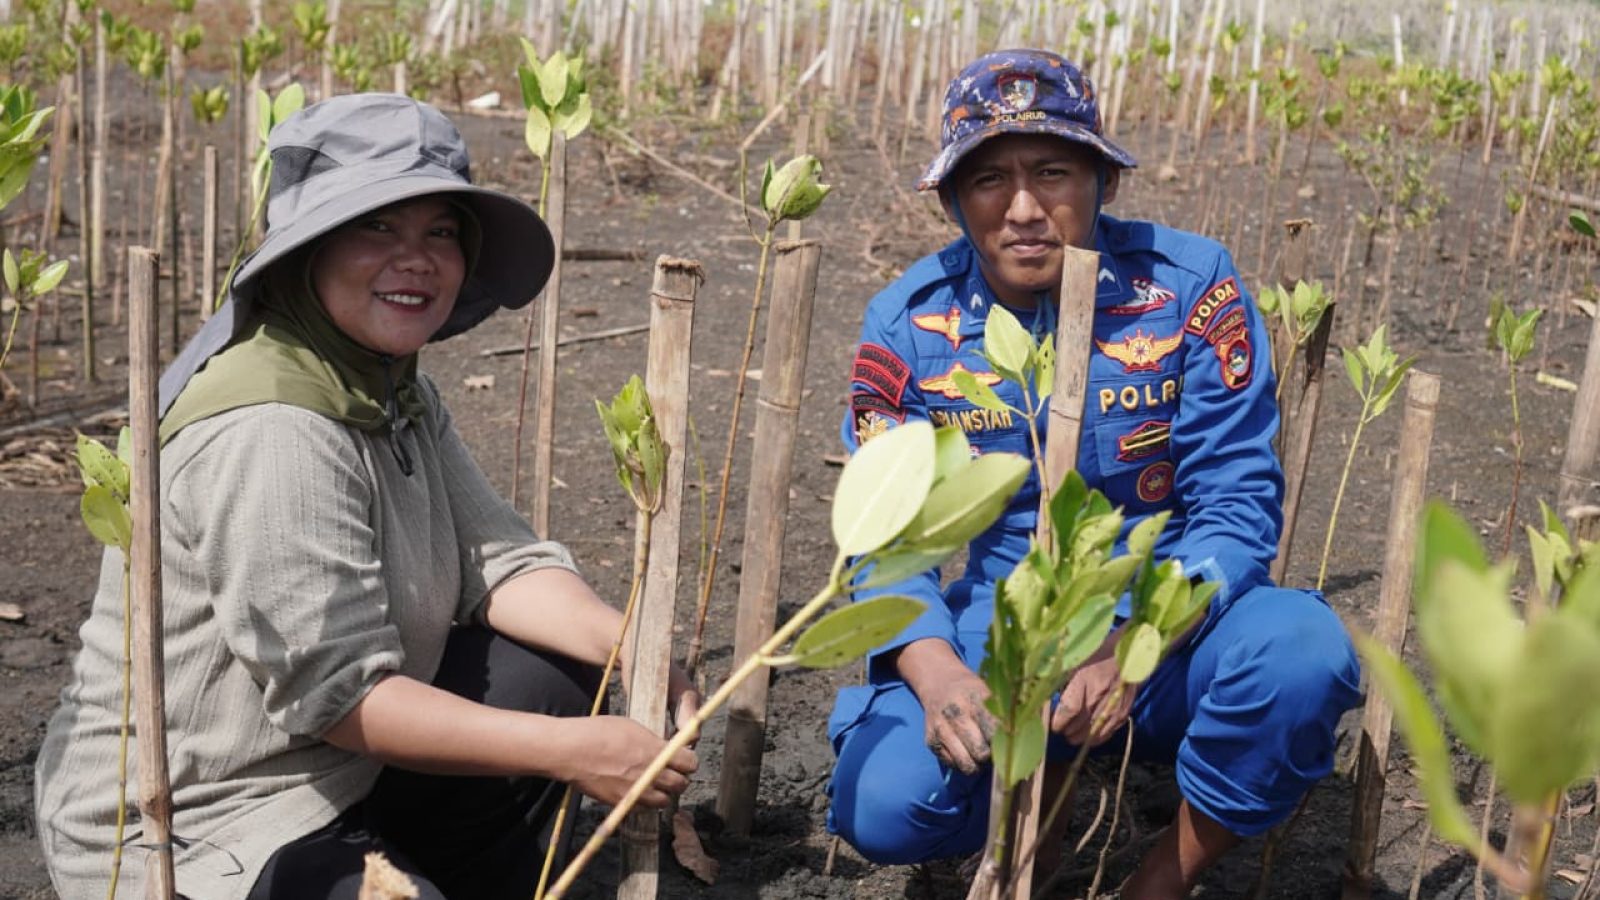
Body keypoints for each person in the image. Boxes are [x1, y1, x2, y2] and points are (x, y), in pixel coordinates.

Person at [34, 94, 699, 900]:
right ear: (305, 253)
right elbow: (340, 694)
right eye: (377, 226)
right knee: (553, 727)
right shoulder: (271, 427)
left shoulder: (387, 384)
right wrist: (572, 753)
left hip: (341, 771)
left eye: (440, 232)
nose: (415, 258)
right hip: (200, 817)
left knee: (560, 675)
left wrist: (633, 647)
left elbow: (500, 561)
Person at [825, 49, 1362, 898]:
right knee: (885, 803)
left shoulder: (1188, 291)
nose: (1026, 208)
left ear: (1103, 181)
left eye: (1053, 171)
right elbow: (886, 541)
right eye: (990, 179)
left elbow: (1236, 505)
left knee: (1300, 655)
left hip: (1169, 621)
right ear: (953, 199)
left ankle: (1162, 876)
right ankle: (1024, 820)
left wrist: (1129, 647)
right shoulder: (907, 324)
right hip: (1001, 632)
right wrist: (939, 675)